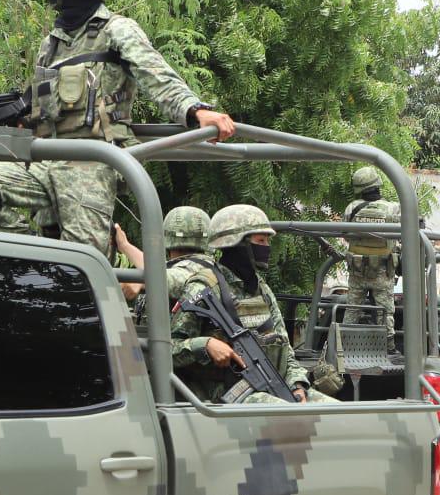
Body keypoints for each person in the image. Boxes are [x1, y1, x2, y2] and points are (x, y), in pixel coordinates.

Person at [0, 0, 237, 257]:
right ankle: (32, 258)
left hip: (91, 162)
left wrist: (194, 110)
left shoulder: (116, 30)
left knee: (80, 261)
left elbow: (155, 73)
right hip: (45, 158)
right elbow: (35, 104)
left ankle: (69, 274)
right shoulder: (52, 44)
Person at [170, 204, 334, 404]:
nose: (266, 247)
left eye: (267, 241)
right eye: (261, 240)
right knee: (289, 416)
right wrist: (204, 345)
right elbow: (167, 350)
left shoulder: (261, 289)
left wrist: (297, 385)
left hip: (271, 386)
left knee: (337, 413)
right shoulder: (204, 286)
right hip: (226, 395)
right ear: (238, 243)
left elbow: (285, 348)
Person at [341, 166, 400, 331]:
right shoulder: (392, 208)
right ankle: (388, 348)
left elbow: (345, 235)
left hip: (357, 270)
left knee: (352, 309)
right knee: (385, 312)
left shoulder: (351, 208)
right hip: (382, 271)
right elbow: (400, 235)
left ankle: (344, 345)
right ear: (377, 184)